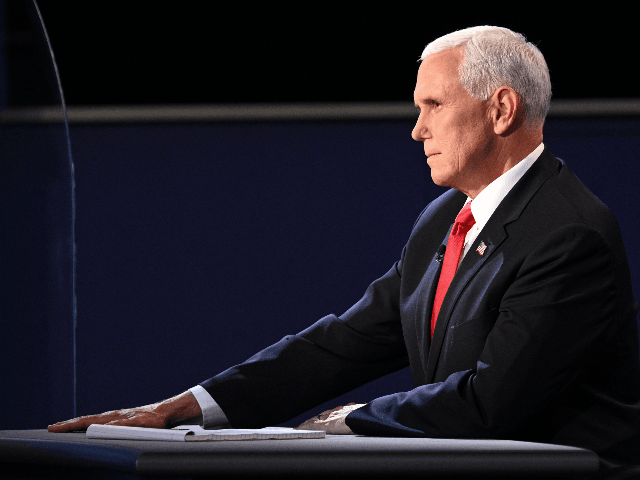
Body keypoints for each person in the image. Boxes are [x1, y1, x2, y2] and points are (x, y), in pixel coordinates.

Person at [49, 26, 640, 471]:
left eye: (433, 106)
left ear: (501, 109)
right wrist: (190, 406)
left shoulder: (569, 234)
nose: (417, 130)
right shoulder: (445, 218)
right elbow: (346, 342)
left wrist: (350, 420)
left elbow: (493, 401)